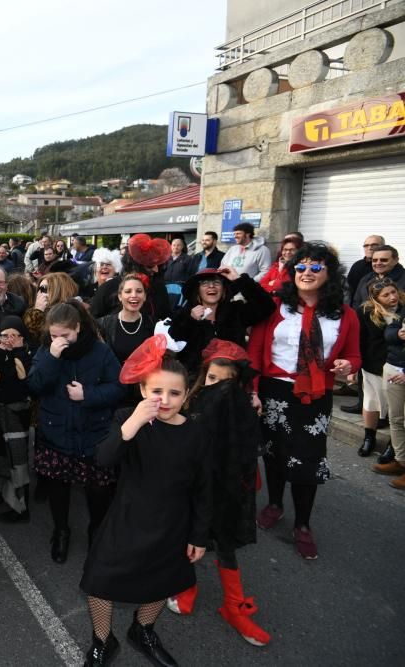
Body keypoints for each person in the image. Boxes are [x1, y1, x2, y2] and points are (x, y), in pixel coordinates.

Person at [80, 337, 210, 666]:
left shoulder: (196, 432)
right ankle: (102, 640)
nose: (165, 400)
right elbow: (104, 459)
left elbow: (204, 488)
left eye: (175, 393)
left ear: (187, 394)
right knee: (100, 581)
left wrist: (199, 534)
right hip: (127, 518)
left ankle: (144, 629)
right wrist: (134, 422)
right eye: (156, 391)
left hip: (172, 523)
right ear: (142, 391)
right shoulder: (128, 418)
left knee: (164, 579)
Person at [249, 243, 361, 560]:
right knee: (274, 453)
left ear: (330, 274)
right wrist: (253, 390)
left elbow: (354, 354)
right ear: (292, 271)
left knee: (307, 461)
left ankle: (302, 524)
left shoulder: (345, 314)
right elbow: (256, 352)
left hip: (315, 394)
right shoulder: (274, 307)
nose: (307, 273)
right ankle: (274, 504)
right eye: (301, 267)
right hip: (274, 390)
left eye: (316, 267)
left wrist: (347, 365)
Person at [168, 339, 270, 647]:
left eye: (227, 383)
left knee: (226, 540)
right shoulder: (192, 404)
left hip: (227, 485)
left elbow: (246, 455)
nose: (219, 389)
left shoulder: (241, 411)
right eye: (212, 380)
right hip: (195, 483)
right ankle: (186, 587)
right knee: (189, 534)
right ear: (202, 378)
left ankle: (233, 606)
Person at [27, 303, 124, 563]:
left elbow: (119, 387)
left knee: (98, 492)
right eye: (54, 335)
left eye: (65, 335)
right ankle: (61, 532)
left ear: (78, 328)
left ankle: (97, 534)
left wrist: (88, 395)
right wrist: (51, 358)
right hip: (57, 434)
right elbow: (35, 385)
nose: (59, 340)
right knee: (59, 489)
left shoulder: (100, 351)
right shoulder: (47, 350)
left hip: (93, 434)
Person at [169, 267, 275, 374]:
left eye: (217, 282)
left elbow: (267, 306)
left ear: (224, 290)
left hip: (230, 379)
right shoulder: (186, 314)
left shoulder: (236, 312)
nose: (211, 286)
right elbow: (175, 336)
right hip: (195, 380)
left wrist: (239, 279)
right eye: (205, 283)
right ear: (198, 291)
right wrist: (191, 320)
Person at [0, 315, 33, 522]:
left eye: (15, 335)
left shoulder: (27, 353)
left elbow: (25, 377)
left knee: (19, 461)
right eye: (5, 335)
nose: (9, 339)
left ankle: (20, 507)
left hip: (17, 416)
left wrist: (19, 351)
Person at [354, 279, 396, 457]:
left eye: (393, 292)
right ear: (375, 298)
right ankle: (369, 438)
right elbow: (358, 340)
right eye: (386, 295)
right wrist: (355, 366)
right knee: (371, 402)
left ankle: (393, 445)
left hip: (396, 366)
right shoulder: (365, 311)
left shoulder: (402, 309)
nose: (392, 297)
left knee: (395, 408)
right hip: (372, 365)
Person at [377, 290, 405, 485]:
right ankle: (401, 461)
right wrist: (397, 333)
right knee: (395, 419)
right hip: (393, 366)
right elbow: (388, 332)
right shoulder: (402, 309)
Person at [97, 274, 156, 365]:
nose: (134, 295)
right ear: (120, 296)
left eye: (139, 291)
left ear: (144, 296)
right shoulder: (104, 324)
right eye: (128, 291)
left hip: (145, 378)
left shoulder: (153, 324)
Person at [22, 272, 78, 348]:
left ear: (58, 291)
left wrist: (37, 312)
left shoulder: (72, 311)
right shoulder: (38, 310)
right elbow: (30, 339)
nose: (39, 293)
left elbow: (40, 339)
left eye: (43, 289)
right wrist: (37, 311)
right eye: (39, 289)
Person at [351, 244, 405, 309]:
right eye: (374, 260)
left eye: (384, 260)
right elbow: (356, 302)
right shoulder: (365, 279)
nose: (378, 263)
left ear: (396, 260)